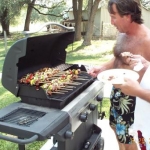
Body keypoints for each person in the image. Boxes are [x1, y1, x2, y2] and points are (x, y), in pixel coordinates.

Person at [88, 0, 150, 150]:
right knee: (116, 131)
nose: (111, 22)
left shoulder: (147, 41)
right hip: (117, 94)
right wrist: (102, 67)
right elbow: (118, 57)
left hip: (134, 102)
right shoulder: (123, 34)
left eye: (113, 16)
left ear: (127, 16)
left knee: (131, 142)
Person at [113, 54, 150, 150]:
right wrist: (147, 65)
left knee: (130, 140)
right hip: (144, 127)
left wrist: (138, 91)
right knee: (141, 142)